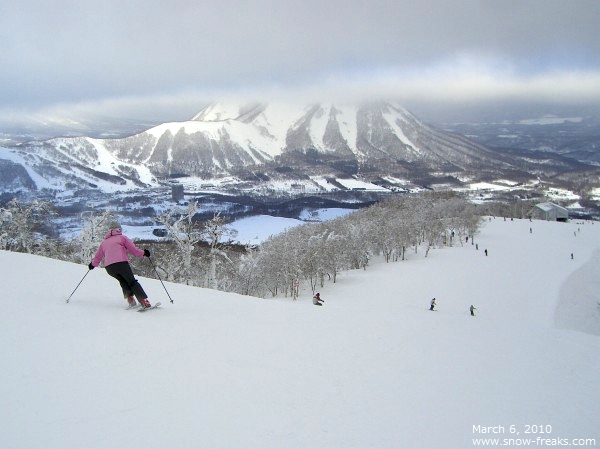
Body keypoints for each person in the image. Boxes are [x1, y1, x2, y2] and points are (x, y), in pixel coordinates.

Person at [88, 221, 152, 308]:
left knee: (123, 281)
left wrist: (92, 265)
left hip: (110, 268)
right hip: (121, 264)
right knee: (132, 281)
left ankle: (131, 300)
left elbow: (97, 257)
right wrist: (144, 253)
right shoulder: (122, 238)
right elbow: (134, 251)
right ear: (118, 229)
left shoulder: (104, 243)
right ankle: (143, 301)